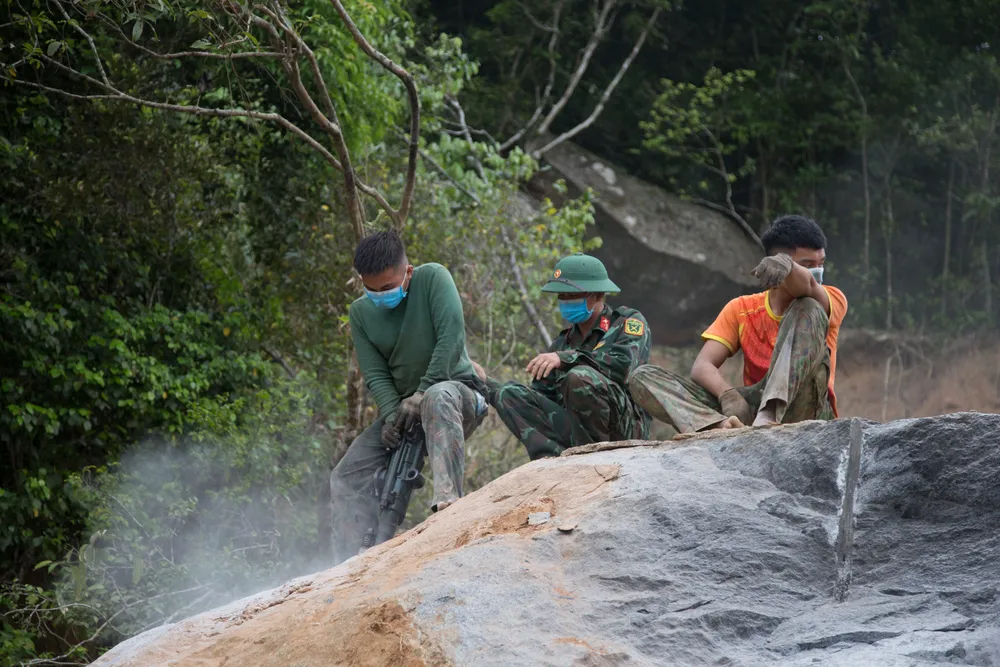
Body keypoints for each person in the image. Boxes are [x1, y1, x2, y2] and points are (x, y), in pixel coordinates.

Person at [329, 229, 488, 564]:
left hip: (457, 394)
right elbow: (374, 373)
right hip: (404, 410)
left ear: (408, 272)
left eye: (387, 287)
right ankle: (349, 559)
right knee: (345, 474)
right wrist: (390, 413)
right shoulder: (360, 313)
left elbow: (451, 336)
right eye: (371, 290)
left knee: (437, 396)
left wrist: (422, 390)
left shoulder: (433, 279)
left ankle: (448, 507)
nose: (379, 295)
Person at [628, 214, 848, 433]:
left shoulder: (831, 298)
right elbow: (702, 366)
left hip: (808, 406)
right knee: (644, 377)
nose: (817, 272)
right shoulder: (742, 308)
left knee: (808, 306)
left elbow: (809, 286)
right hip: (752, 410)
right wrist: (728, 395)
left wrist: (791, 268)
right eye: (807, 265)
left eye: (821, 264)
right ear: (774, 264)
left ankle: (770, 414)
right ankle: (722, 427)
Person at [487, 253, 651, 459]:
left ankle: (595, 456)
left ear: (598, 294)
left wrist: (565, 359)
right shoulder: (563, 341)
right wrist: (486, 383)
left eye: (572, 295)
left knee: (580, 376)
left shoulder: (627, 323)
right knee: (510, 392)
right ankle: (553, 460)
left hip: (622, 429)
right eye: (561, 296)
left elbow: (622, 366)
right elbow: (543, 396)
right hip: (575, 431)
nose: (565, 302)